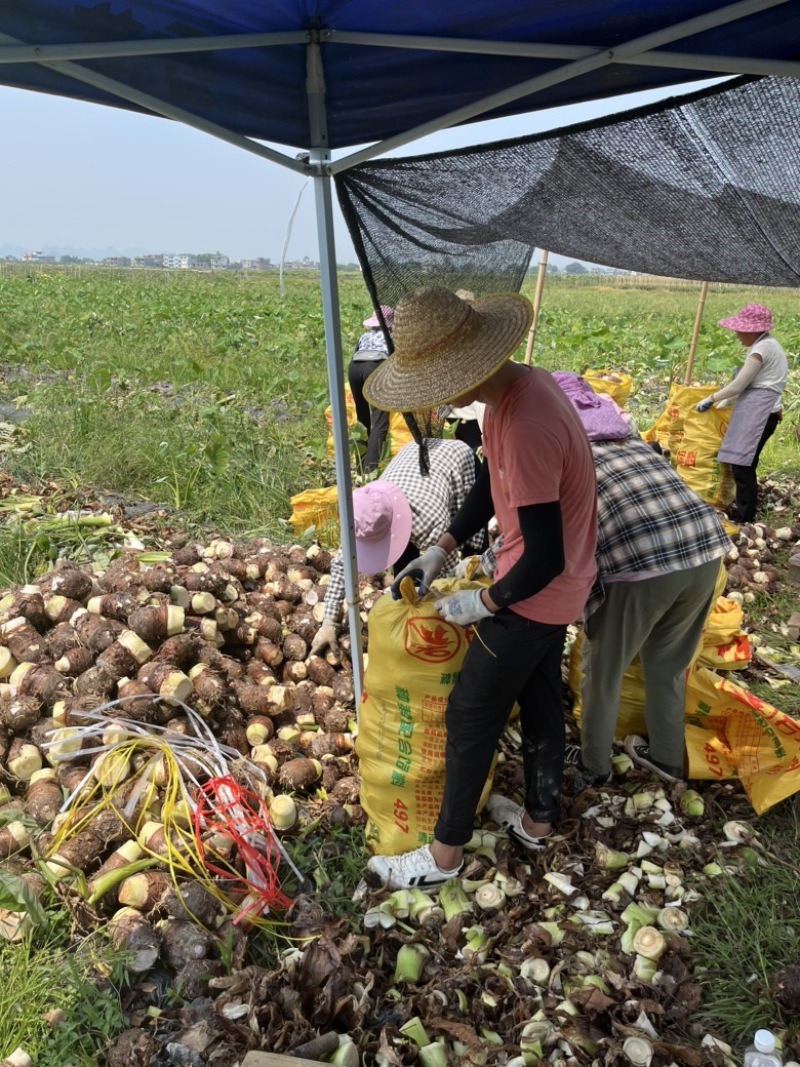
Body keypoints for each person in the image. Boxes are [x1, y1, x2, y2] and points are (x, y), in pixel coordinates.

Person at [361, 286, 598, 890]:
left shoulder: (526, 422)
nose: (438, 397)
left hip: (534, 593)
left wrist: (484, 602)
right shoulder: (516, 394)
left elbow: (544, 555)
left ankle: (443, 857)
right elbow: (492, 484)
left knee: (470, 714)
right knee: (543, 699)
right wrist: (443, 546)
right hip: (558, 591)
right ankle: (539, 821)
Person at [552, 374, 733, 788]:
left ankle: (594, 767)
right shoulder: (633, 441)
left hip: (642, 563)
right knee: (668, 664)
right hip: (705, 549)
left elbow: (545, 532)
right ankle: (667, 758)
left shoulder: (566, 455)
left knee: (603, 671)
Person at [310, 435, 486, 656]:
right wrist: (329, 621)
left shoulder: (430, 520)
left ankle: (477, 627)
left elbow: (446, 577)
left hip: (459, 462)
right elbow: (342, 565)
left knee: (473, 555)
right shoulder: (360, 516)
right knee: (405, 577)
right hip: (411, 464)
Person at [695, 304, 787, 523]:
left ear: (752, 330)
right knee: (745, 463)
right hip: (763, 411)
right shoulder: (769, 345)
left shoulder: (761, 349)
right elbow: (749, 385)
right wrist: (723, 402)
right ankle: (744, 509)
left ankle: (745, 518)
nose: (736, 335)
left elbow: (739, 384)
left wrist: (711, 398)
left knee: (743, 464)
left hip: (762, 413)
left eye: (739, 330)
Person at [347, 305, 394, 474]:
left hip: (354, 369)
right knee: (380, 420)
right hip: (375, 367)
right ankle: (370, 471)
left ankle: (359, 465)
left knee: (362, 419)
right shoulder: (392, 336)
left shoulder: (365, 335)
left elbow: (355, 353)